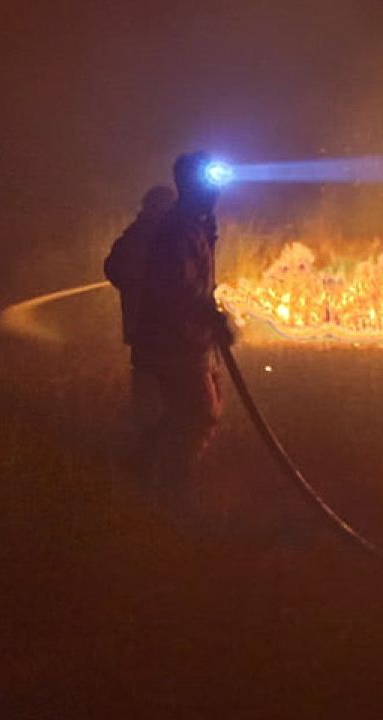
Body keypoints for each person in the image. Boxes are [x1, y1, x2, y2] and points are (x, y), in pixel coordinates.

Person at [130, 151, 235, 506]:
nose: (216, 192)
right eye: (210, 184)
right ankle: (173, 490)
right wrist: (212, 316)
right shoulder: (177, 230)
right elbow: (180, 289)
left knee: (193, 412)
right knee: (199, 415)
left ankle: (147, 466)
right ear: (192, 187)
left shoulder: (194, 225)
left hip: (189, 339)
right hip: (174, 341)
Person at [104, 184, 176, 470]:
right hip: (156, 331)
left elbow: (113, 268)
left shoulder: (147, 236)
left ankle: (151, 455)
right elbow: (114, 268)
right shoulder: (146, 237)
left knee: (154, 396)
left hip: (153, 331)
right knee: (159, 397)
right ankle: (153, 460)